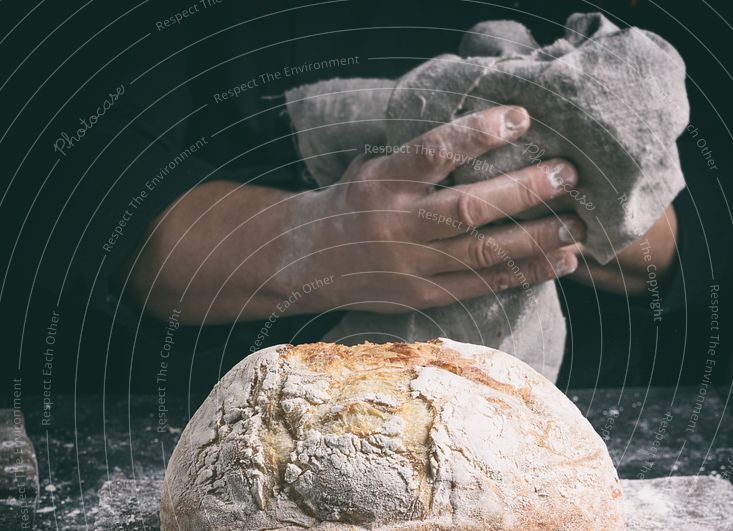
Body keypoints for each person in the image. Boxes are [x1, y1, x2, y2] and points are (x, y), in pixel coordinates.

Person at [2, 1, 730, 401]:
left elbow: (708, 228)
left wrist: (578, 205)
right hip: (186, 412)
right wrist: (311, 239)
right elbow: (73, 198)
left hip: (613, 416)